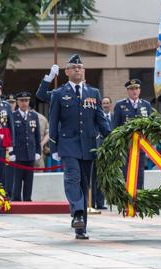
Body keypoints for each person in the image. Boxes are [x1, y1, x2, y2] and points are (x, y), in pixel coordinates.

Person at [48, 54, 111, 240]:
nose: (78, 70)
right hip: (68, 145)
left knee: (85, 184)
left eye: (81, 67)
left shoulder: (94, 93)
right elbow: (53, 122)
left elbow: (100, 119)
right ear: (66, 71)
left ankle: (80, 227)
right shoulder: (59, 93)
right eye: (74, 67)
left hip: (89, 145)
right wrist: (54, 148)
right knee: (72, 178)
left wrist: (113, 138)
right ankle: (77, 212)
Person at [112, 79, 153, 190]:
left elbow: (149, 127)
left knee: (140, 174)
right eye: (131, 89)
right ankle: (128, 201)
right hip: (126, 146)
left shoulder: (146, 105)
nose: (134, 91)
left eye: (136, 88)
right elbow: (115, 127)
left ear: (139, 90)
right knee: (127, 173)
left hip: (141, 145)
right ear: (127, 91)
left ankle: (139, 200)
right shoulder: (120, 105)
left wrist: (149, 145)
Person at [12, 91, 41, 201]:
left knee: (29, 179)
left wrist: (38, 151)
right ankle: (16, 199)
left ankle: (28, 199)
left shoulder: (33, 115)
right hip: (18, 153)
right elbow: (10, 135)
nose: (24, 103)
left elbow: (37, 135)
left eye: (26, 101)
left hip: (30, 152)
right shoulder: (13, 116)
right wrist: (11, 152)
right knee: (17, 179)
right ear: (17, 102)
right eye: (22, 101)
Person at [91, 96, 112, 210]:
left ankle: (100, 202)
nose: (105, 105)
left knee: (102, 179)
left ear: (110, 104)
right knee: (93, 179)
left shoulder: (112, 118)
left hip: (107, 153)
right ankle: (92, 202)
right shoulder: (95, 117)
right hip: (95, 151)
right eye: (103, 103)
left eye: (107, 103)